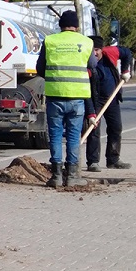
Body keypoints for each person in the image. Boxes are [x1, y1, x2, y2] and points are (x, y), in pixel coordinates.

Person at [37, 10, 95, 188]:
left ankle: (56, 176)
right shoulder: (86, 42)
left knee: (54, 135)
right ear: (76, 26)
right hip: (77, 97)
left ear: (60, 26)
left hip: (55, 95)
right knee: (73, 136)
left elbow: (40, 67)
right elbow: (93, 65)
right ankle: (72, 175)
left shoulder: (50, 40)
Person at [85, 35, 133, 171]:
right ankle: (93, 162)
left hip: (112, 98)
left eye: (97, 50)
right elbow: (87, 90)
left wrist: (125, 71)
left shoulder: (110, 52)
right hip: (95, 100)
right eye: (91, 51)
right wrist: (91, 113)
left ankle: (113, 159)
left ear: (101, 49)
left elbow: (127, 53)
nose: (94, 53)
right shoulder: (86, 64)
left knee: (116, 127)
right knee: (93, 129)